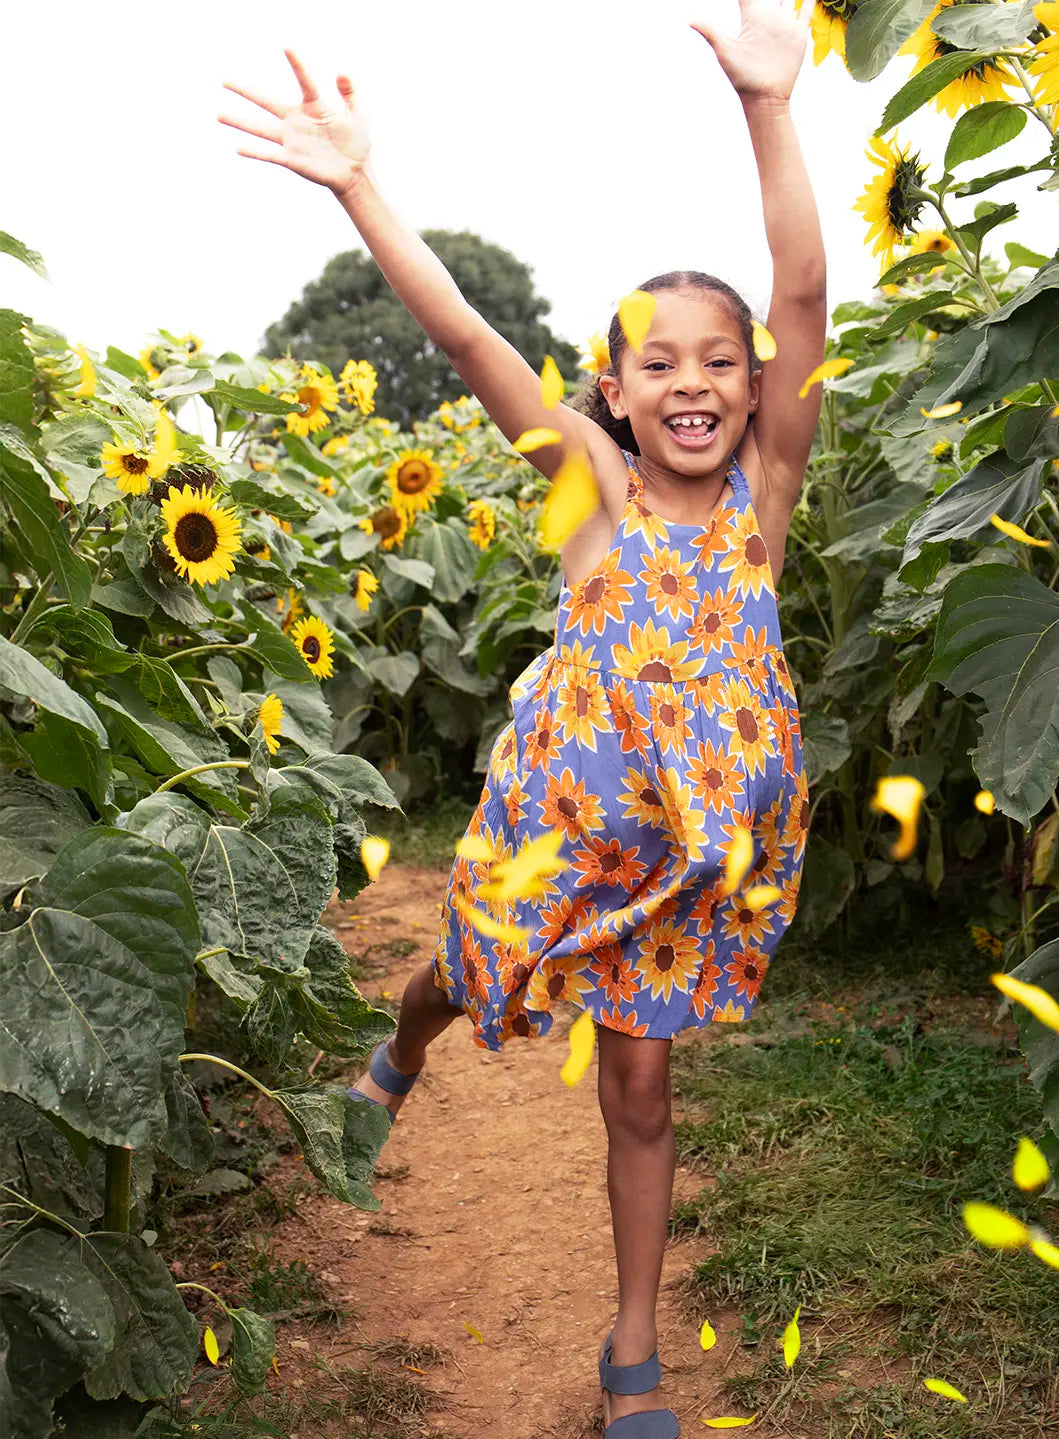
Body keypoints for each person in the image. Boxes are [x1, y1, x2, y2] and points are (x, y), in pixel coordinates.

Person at [220, 3, 824, 1432]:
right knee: (466, 970)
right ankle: (405, 1046)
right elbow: (465, 328)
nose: (692, 382)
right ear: (612, 391)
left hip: (688, 861)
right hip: (564, 830)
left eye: (718, 361)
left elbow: (800, 292)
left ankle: (632, 1357)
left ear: (753, 390)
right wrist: (360, 178)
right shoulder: (590, 493)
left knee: (641, 1090)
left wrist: (769, 108)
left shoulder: (763, 508)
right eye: (656, 363)